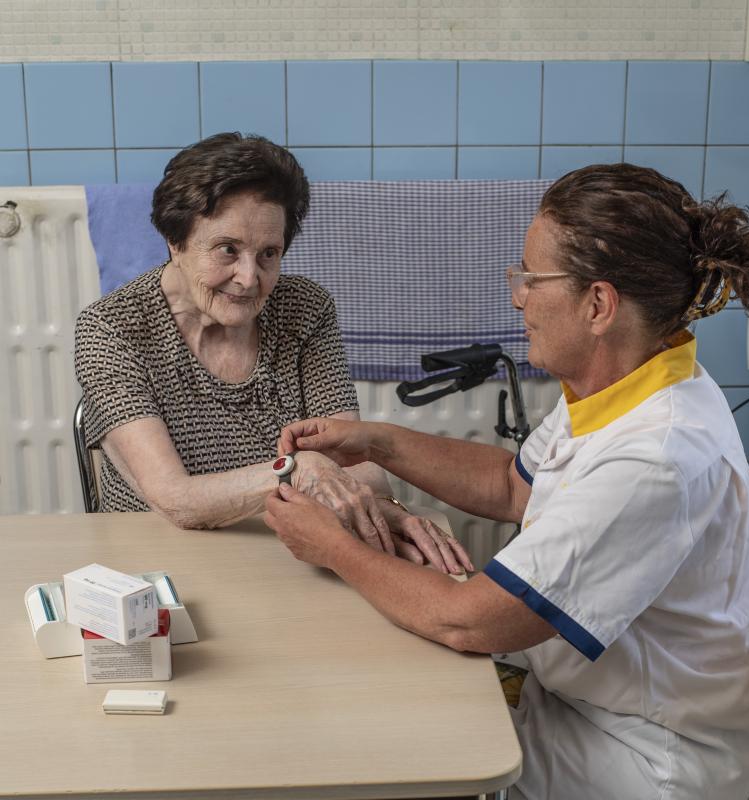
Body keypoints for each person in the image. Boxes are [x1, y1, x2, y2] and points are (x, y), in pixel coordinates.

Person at [265, 163, 749, 799]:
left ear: (598, 304)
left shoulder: (653, 459)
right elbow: (513, 486)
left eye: (529, 278)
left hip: (642, 757)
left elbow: (469, 621)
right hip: (577, 700)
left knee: (383, 745)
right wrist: (376, 440)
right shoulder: (633, 381)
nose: (516, 296)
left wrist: (331, 548)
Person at [74, 132, 471, 575]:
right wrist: (296, 470)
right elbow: (176, 500)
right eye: (228, 250)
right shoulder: (111, 328)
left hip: (288, 556)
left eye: (268, 254)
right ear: (175, 240)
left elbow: (362, 468)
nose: (248, 278)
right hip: (157, 563)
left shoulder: (305, 310)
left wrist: (380, 509)